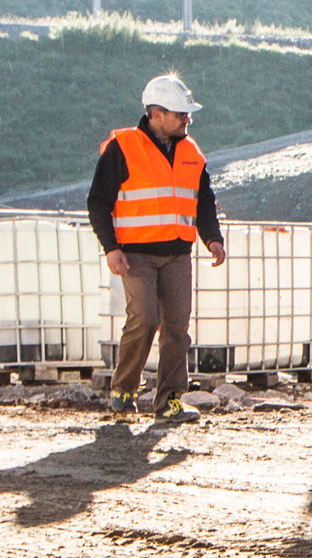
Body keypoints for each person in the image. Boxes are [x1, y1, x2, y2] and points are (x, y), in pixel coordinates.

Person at [88, 74, 227, 421]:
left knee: (177, 328)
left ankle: (169, 401)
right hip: (135, 254)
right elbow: (98, 202)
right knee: (145, 318)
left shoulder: (192, 152)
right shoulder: (124, 147)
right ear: (156, 114)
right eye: (181, 114)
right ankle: (123, 390)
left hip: (178, 254)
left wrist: (212, 238)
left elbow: (203, 200)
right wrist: (110, 248)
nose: (187, 120)